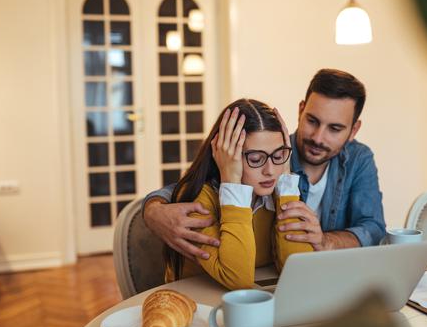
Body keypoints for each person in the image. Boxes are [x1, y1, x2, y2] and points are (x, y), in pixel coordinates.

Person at [143, 68, 386, 261]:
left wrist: (325, 241)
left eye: (335, 128)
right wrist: (153, 211)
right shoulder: (274, 153)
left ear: (354, 130)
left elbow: (374, 228)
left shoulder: (359, 159)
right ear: (301, 110)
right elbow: (200, 183)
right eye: (312, 121)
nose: (318, 137)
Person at [164, 98, 313, 290]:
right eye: (256, 158)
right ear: (225, 155)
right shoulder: (198, 199)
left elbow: (299, 269)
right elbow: (238, 279)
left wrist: (286, 182)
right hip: (195, 304)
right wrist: (231, 182)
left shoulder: (275, 190)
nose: (270, 170)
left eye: (278, 156)